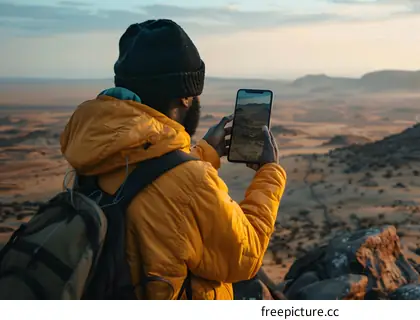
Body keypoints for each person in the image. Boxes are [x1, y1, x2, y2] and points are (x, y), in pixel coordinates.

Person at [59, 19, 286, 299]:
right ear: (186, 98)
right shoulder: (191, 182)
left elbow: (150, 181)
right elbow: (246, 257)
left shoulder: (98, 151)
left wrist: (202, 153)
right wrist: (270, 173)